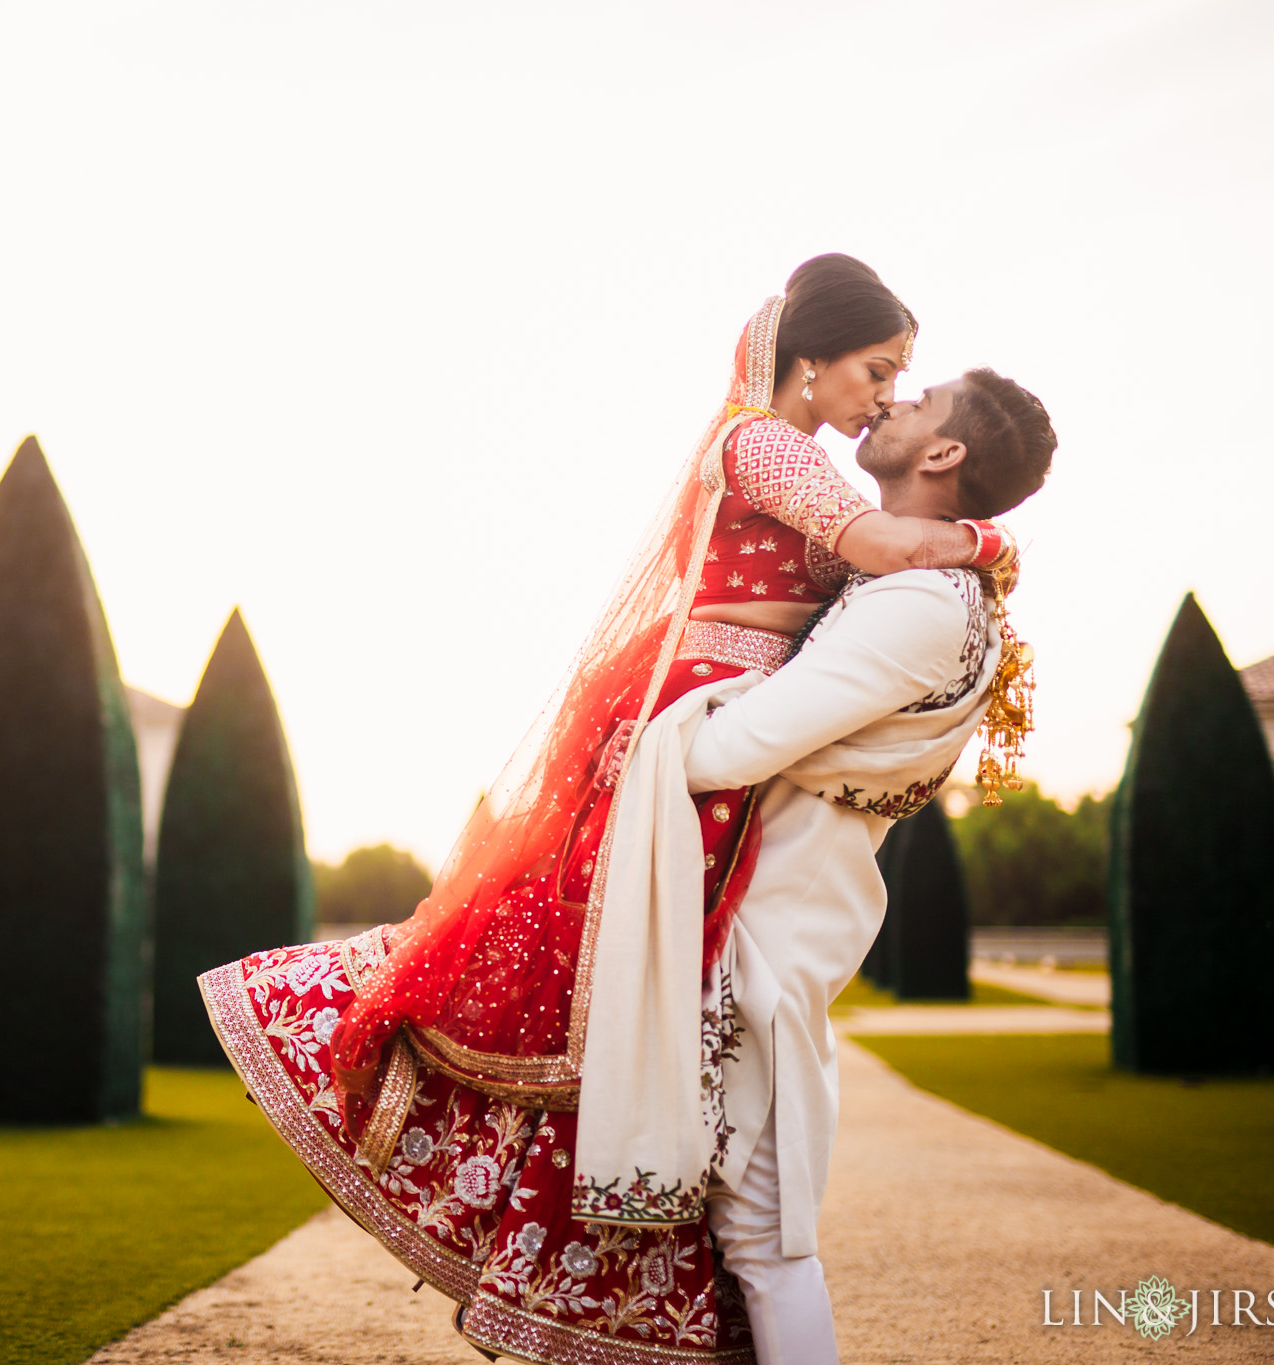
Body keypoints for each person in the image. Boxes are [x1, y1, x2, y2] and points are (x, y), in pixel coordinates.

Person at [198, 256, 1020, 1363]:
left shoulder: (821, 489)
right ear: (808, 360)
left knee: (620, 997)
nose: (883, 395)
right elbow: (872, 548)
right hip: (694, 709)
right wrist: (984, 541)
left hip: (725, 721)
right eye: (877, 370)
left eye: (902, 383)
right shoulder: (758, 438)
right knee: (583, 965)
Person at [581, 369, 1056, 1364]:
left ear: (943, 455)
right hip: (760, 917)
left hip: (770, 937)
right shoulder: (906, 583)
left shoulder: (923, 604)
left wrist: (650, 733)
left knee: (765, 1239)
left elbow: (730, 750)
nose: (889, 401)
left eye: (914, 395)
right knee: (739, 1237)